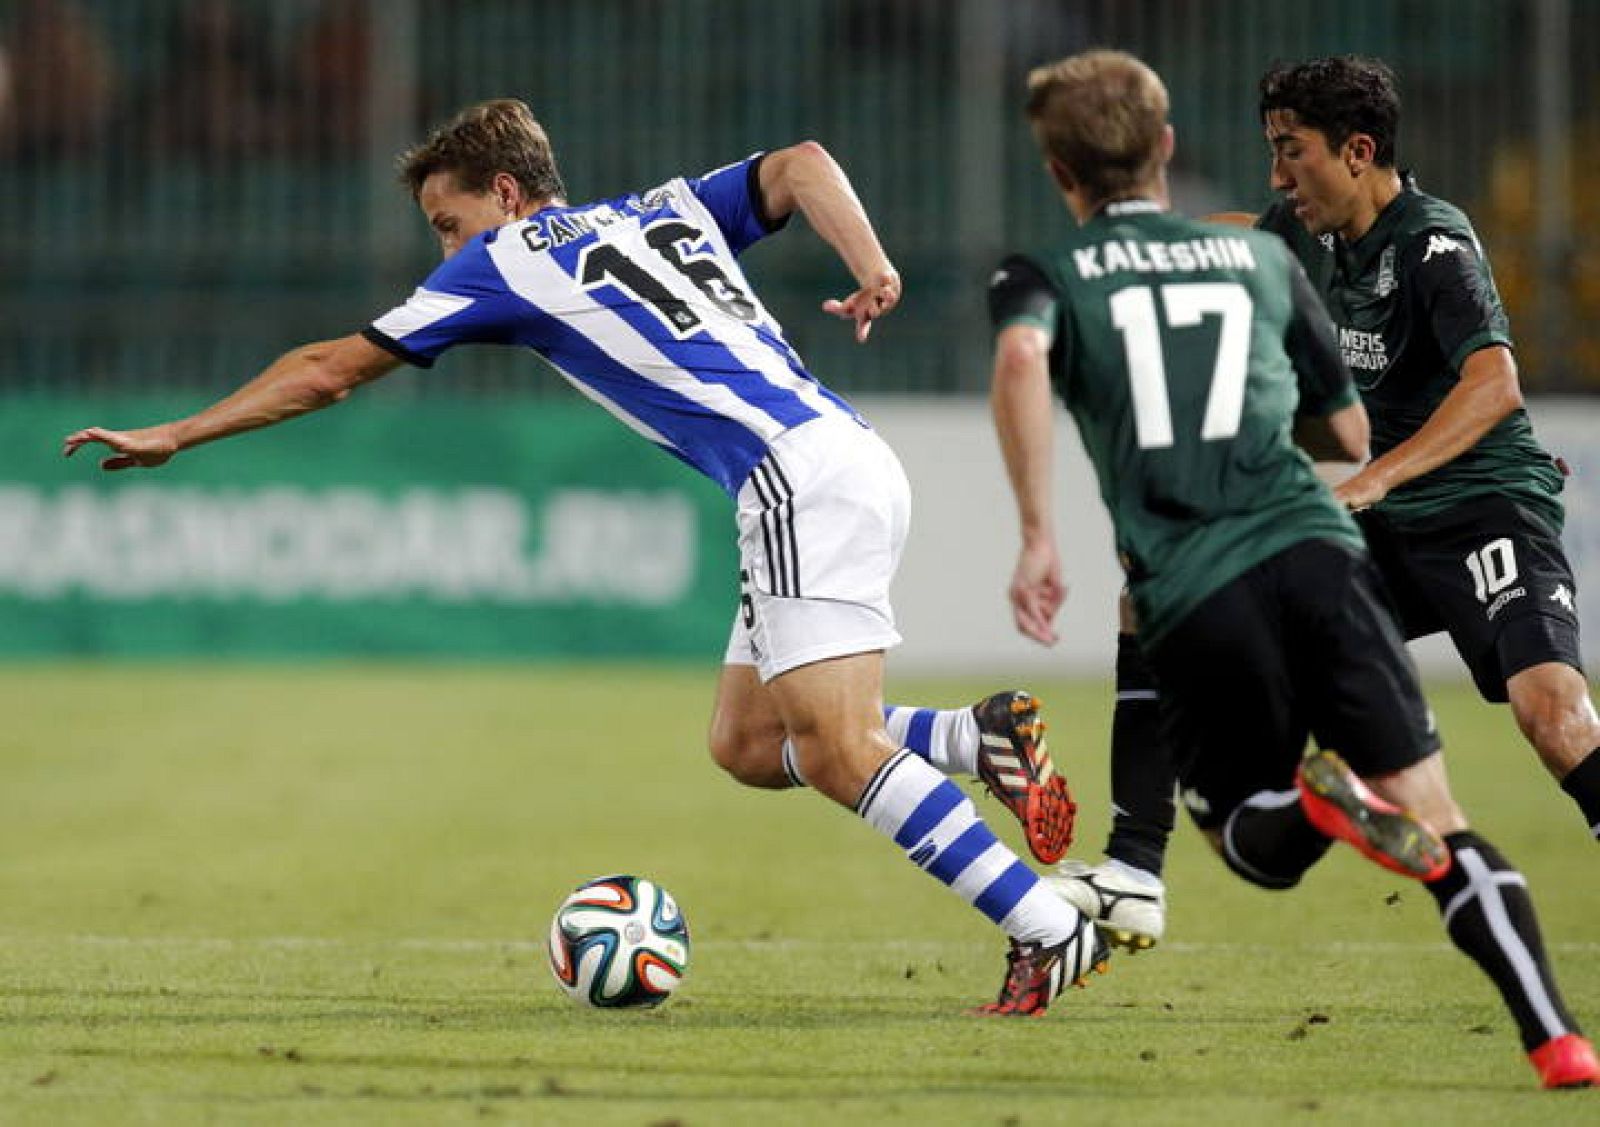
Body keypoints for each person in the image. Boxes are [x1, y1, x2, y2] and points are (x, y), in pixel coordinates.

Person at [62, 98, 1099, 1015]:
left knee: (836, 748)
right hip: (839, 457)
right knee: (747, 741)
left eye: (448, 223)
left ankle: (1047, 926)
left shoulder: (502, 260)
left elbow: (331, 368)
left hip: (795, 479)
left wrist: (180, 431)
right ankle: (973, 737)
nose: (444, 250)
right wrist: (871, 263)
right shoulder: (663, 210)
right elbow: (803, 164)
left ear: (506, 194)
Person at [990, 48, 1595, 1088]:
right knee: (1145, 605)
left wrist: (1371, 477)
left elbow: (1494, 385)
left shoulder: (1432, 240)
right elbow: (1219, 244)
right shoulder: (1297, 239)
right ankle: (1137, 862)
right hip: (1365, 524)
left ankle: (1250, 823)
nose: (1277, 175)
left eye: (1292, 152)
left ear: (1357, 152)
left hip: (1477, 506)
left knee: (1555, 715)